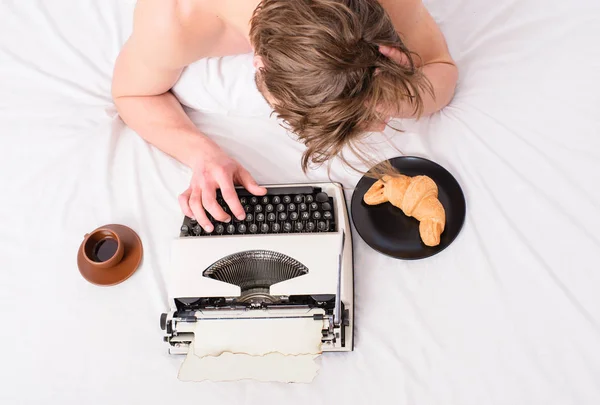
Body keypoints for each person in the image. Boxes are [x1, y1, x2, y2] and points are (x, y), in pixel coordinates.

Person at [111, 0, 458, 233]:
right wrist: (201, 153)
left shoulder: (367, 8)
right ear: (258, 63)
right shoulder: (174, 21)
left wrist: (393, 99)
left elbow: (441, 67)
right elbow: (132, 93)